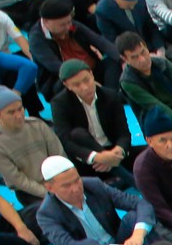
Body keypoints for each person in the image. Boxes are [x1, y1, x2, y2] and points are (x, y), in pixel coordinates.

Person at [37, 155, 159, 245]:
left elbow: (140, 203)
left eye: (77, 180)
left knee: (134, 218)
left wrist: (137, 236)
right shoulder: (46, 214)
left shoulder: (93, 185)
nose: (75, 188)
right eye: (66, 186)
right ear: (50, 188)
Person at [48, 59, 136, 189]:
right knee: (77, 134)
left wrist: (118, 152)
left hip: (114, 152)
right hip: (87, 158)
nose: (85, 87)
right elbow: (65, 141)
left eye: (86, 80)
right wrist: (97, 157)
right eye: (77, 85)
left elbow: (123, 133)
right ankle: (123, 179)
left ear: (91, 74)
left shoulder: (110, 96)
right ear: (67, 85)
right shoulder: (60, 103)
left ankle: (113, 180)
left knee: (149, 155)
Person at [0, 87, 65, 209]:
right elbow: (17, 179)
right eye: (11, 112)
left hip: (56, 179)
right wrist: (49, 192)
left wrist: (63, 183)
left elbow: (59, 155)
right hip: (29, 191)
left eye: (20, 109)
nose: (19, 115)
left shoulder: (37, 125)